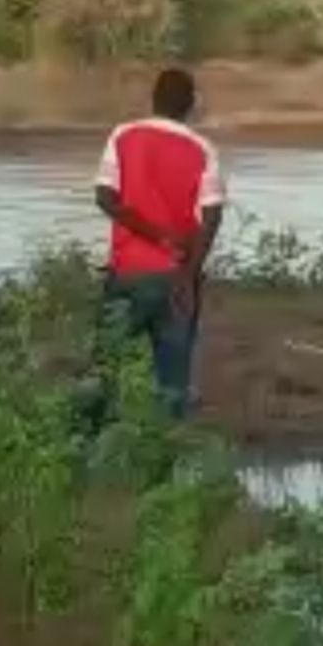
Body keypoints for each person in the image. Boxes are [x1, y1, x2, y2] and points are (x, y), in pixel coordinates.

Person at [93, 67, 227, 418]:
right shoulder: (203, 149)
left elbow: (105, 197)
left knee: (104, 373)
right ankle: (165, 460)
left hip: (127, 273)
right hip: (176, 280)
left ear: (152, 99)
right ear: (191, 105)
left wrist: (155, 236)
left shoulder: (123, 136)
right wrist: (189, 276)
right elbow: (212, 217)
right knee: (172, 388)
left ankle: (92, 454)